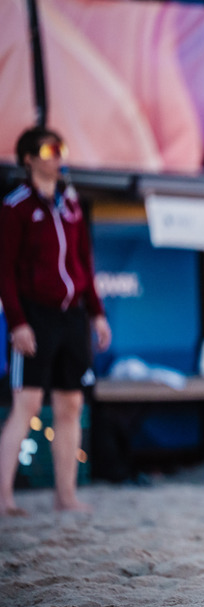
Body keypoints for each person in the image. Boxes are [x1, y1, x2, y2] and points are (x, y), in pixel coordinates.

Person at [0, 127, 111, 516]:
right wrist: (17, 323)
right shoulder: (16, 206)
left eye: (61, 148)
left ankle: (66, 495)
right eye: (49, 149)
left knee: (71, 406)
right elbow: (5, 271)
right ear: (29, 158)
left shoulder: (71, 203)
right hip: (36, 316)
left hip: (71, 316)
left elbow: (84, 263)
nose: (57, 155)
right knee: (26, 404)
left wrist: (96, 313)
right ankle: (3, 498)